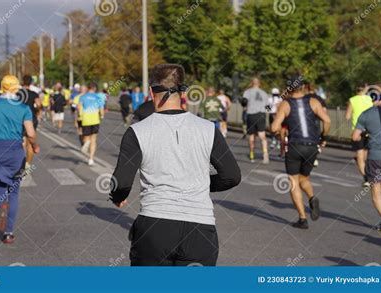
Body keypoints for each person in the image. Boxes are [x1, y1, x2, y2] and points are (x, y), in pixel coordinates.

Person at [109, 64, 241, 266]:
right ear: (183, 92)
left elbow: (121, 183)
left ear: (152, 93)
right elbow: (232, 176)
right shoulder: (208, 129)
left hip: (155, 226)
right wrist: (202, 182)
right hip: (201, 228)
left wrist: (118, 197)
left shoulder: (137, 131)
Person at [0, 75, 39, 244]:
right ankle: (8, 232)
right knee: (14, 192)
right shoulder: (24, 108)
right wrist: (35, 145)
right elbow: (31, 134)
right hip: (17, 152)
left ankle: (1, 205)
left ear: (2, 88)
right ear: (16, 89)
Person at [271, 77, 331, 229]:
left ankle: (302, 219)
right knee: (304, 178)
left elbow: (274, 127)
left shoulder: (285, 104)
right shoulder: (313, 102)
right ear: (303, 87)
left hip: (295, 145)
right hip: (312, 145)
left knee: (293, 181)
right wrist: (323, 137)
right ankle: (311, 198)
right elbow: (327, 121)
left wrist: (280, 134)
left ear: (289, 88)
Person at [352, 88, 381, 232]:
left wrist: (367, 133)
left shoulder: (366, 114)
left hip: (376, 158)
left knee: (376, 190)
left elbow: (355, 136)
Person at [346, 86, 373, 186]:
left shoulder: (352, 100)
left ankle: (367, 179)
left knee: (360, 157)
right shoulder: (370, 99)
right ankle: (371, 175)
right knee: (367, 156)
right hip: (370, 130)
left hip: (358, 131)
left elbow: (347, 116)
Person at [243, 78, 270, 164]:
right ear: (259, 84)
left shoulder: (247, 92)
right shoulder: (265, 93)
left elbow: (244, 102)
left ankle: (251, 155)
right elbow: (268, 108)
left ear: (251, 83)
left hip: (251, 114)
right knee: (262, 135)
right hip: (261, 114)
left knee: (251, 136)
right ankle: (265, 155)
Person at [18, 75, 42, 167]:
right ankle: (28, 164)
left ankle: (21, 163)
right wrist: (37, 110)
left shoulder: (17, 93)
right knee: (31, 141)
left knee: (22, 141)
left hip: (19, 118)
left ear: (22, 82)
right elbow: (38, 104)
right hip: (31, 118)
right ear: (31, 82)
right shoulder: (34, 94)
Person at [79, 83, 104, 166]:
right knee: (94, 139)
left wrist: (80, 115)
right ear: (95, 89)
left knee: (86, 137)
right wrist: (102, 116)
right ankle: (91, 159)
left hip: (86, 120)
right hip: (95, 120)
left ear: (88, 88)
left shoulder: (83, 97)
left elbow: (79, 107)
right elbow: (101, 109)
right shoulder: (98, 97)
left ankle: (86, 142)